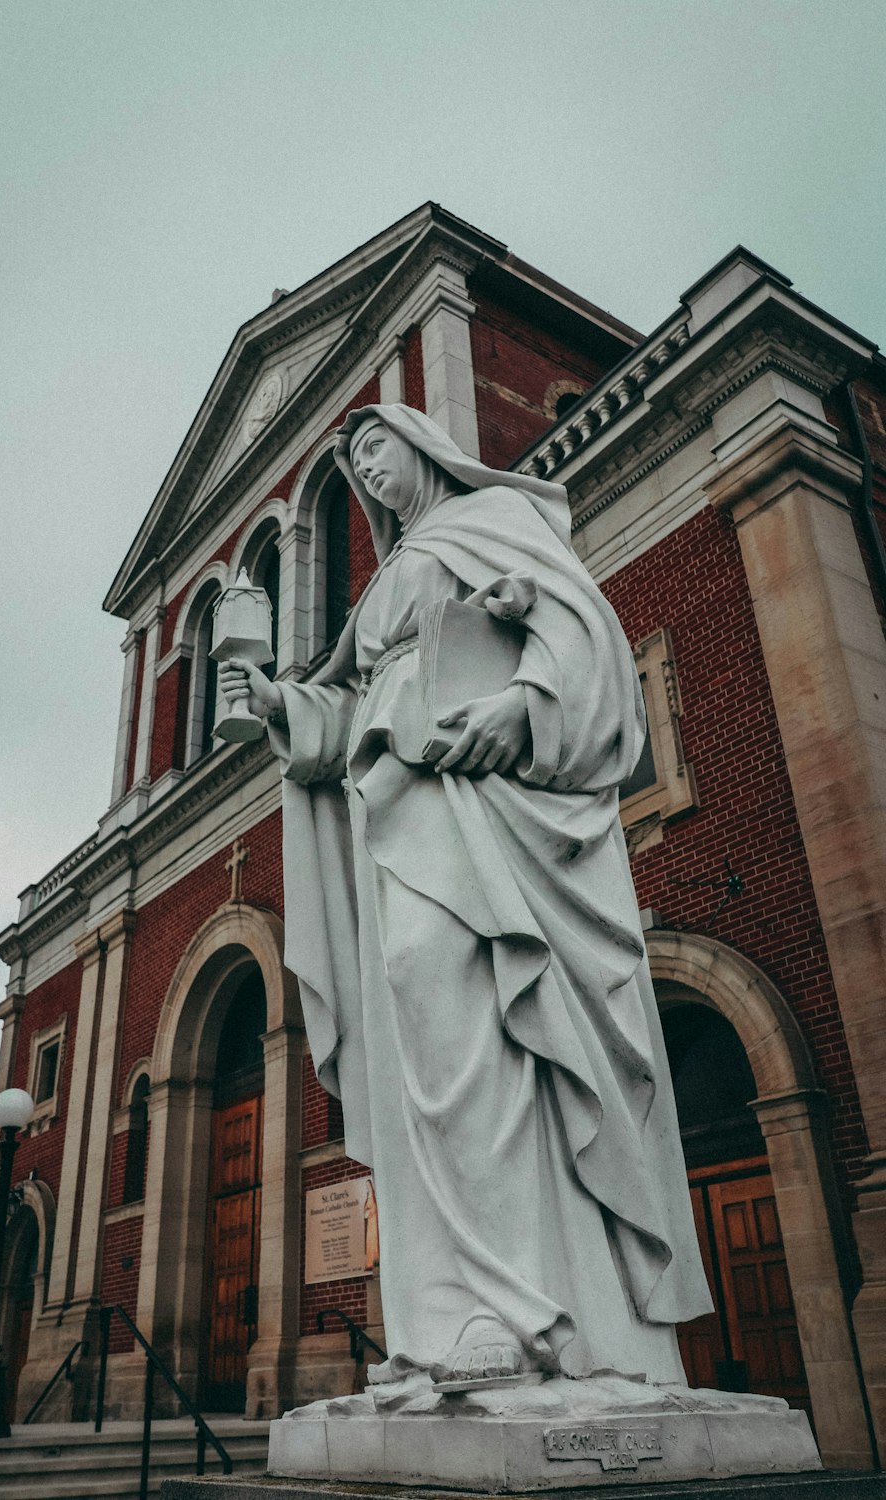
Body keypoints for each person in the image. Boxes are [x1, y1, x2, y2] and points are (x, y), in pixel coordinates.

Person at [219, 404, 711, 1390]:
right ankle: (445, 1316)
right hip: (398, 815)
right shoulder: (392, 578)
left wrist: (525, 701)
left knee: (481, 1035)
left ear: (420, 447)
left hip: (487, 808)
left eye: (376, 446)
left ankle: (526, 1312)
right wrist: (280, 702)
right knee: (423, 1043)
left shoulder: (501, 523)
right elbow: (355, 707)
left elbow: (584, 635)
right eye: (355, 460)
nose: (367, 469)